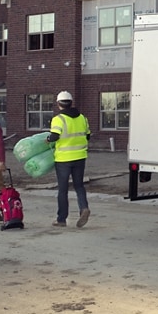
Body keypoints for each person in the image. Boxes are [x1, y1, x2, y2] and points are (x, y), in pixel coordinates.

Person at [47, 91, 92, 228]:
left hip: (63, 159)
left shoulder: (58, 119)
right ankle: (84, 208)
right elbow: (88, 136)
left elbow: (54, 136)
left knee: (63, 189)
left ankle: (61, 219)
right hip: (80, 157)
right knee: (79, 186)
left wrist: (48, 139)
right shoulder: (83, 118)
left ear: (58, 103)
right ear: (71, 102)